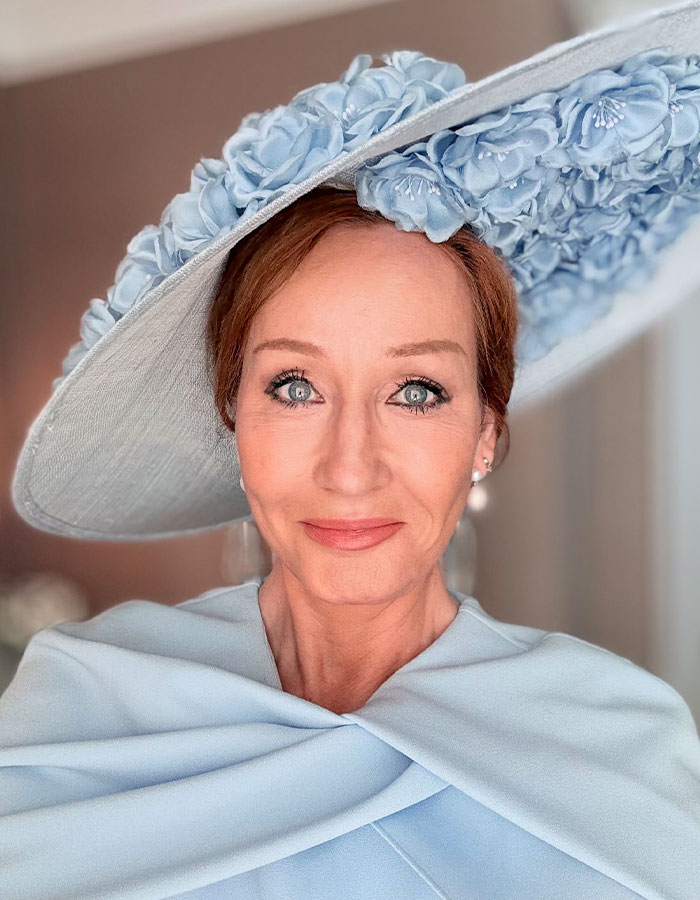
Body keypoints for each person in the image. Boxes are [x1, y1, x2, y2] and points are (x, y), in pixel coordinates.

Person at [3, 2, 700, 898]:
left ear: (485, 431)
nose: (349, 466)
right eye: (295, 387)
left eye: (417, 392)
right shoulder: (80, 711)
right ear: (234, 416)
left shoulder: (621, 741)